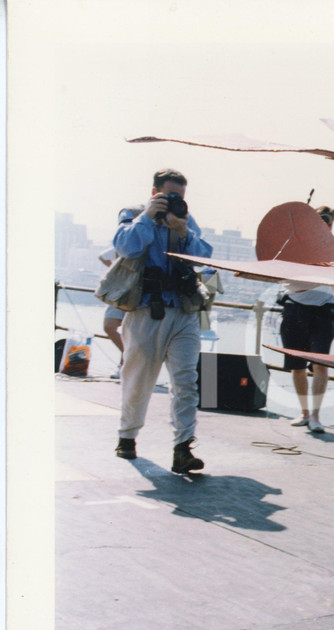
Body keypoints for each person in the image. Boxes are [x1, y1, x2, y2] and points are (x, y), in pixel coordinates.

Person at [112, 168, 213, 474]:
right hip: (146, 309)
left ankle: (183, 448)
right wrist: (147, 217)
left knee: (186, 381)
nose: (174, 201)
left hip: (183, 310)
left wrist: (183, 232)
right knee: (138, 379)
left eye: (180, 197)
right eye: (168, 195)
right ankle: (127, 436)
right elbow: (124, 247)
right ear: (155, 191)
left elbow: (205, 261)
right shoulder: (133, 214)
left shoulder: (185, 219)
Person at [279, 206, 334, 433]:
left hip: (323, 310)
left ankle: (315, 415)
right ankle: (305, 413)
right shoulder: (294, 245)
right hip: (295, 308)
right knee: (296, 365)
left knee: (320, 365)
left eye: (328, 223)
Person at [98, 246, 126, 378]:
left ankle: (123, 367)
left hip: (139, 291)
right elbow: (102, 256)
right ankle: (128, 355)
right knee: (109, 326)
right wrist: (115, 269)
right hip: (119, 290)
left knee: (129, 331)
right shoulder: (124, 241)